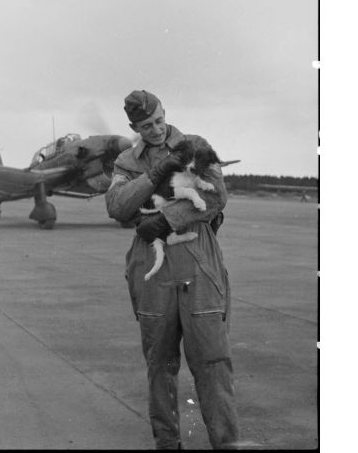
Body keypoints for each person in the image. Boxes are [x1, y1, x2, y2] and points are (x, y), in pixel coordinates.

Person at [105, 90, 239, 450]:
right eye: (146, 126)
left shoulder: (195, 145)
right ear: (134, 127)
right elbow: (117, 205)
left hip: (199, 264)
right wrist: (156, 174)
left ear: (166, 113)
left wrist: (165, 220)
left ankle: (226, 443)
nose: (156, 130)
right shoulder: (126, 161)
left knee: (213, 361)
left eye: (160, 120)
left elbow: (215, 196)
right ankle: (167, 443)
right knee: (159, 365)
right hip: (152, 268)